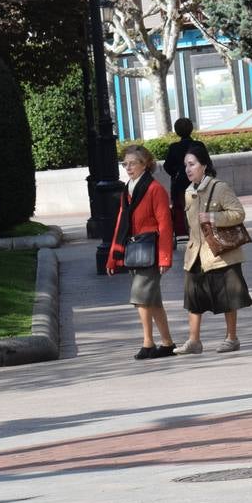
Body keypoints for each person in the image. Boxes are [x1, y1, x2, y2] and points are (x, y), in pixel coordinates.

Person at [174, 142, 252, 354]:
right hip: (195, 252)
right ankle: (194, 341)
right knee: (193, 297)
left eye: (192, 164)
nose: (188, 169)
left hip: (220, 252)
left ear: (204, 166)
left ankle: (232, 338)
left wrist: (213, 217)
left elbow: (238, 214)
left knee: (227, 296)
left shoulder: (220, 188)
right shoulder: (188, 192)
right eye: (186, 165)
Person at [107, 144, 177, 359]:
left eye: (132, 163)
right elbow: (121, 222)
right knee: (153, 301)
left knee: (140, 297)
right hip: (134, 250)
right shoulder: (128, 189)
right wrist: (113, 257)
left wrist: (165, 257)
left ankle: (148, 343)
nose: (127, 167)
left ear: (145, 164)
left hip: (150, 251)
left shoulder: (155, 189)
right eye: (125, 163)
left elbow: (165, 225)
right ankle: (167, 343)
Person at [163, 117, 200, 238]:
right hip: (198, 181)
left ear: (177, 131)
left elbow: (167, 166)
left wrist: (176, 173)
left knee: (186, 209)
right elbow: (207, 163)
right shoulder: (198, 145)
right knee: (199, 207)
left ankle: (190, 232)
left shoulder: (174, 147)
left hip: (181, 184)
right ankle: (198, 233)